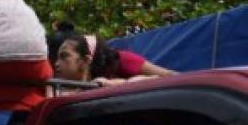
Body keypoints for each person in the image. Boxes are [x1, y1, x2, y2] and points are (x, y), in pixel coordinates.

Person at [48, 23, 176, 82]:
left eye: (64, 56)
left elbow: (171, 76)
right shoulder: (59, 83)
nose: (56, 64)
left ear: (85, 60)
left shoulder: (124, 60)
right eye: (54, 58)